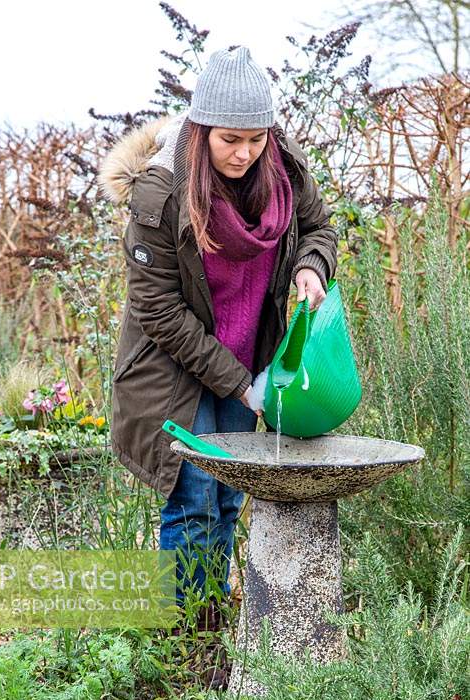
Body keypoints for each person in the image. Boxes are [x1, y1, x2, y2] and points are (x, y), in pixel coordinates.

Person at [98, 46, 337, 623]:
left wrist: (311, 265)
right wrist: (242, 386)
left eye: (256, 138)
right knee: (194, 499)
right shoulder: (161, 191)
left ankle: (214, 626)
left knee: (230, 497)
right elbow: (155, 308)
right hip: (173, 367)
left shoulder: (282, 167)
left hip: (248, 352)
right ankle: (182, 639)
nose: (244, 152)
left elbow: (319, 228)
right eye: (231, 139)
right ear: (202, 128)